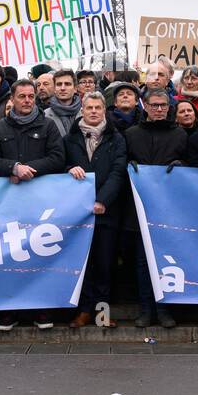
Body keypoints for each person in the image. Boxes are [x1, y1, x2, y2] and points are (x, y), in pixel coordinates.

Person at [0, 79, 65, 332]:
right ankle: (10, 310)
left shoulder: (48, 125)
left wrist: (30, 170)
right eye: (22, 96)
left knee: (39, 255)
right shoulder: (0, 128)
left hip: (41, 204)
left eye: (31, 96)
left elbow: (57, 158)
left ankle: (40, 308)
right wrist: (12, 167)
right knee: (11, 256)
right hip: (9, 204)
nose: (28, 100)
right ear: (13, 99)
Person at [63, 91, 128, 329]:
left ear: (104, 111)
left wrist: (103, 200)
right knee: (84, 264)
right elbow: (61, 164)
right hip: (78, 212)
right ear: (82, 110)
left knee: (105, 264)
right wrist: (69, 167)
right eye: (88, 108)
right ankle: (83, 311)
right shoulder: (70, 139)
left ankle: (102, 313)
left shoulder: (116, 138)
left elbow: (118, 171)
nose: (92, 112)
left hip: (106, 211)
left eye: (97, 108)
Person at [124, 89, 186, 329]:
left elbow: (191, 163)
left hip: (169, 208)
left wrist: (182, 166)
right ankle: (145, 309)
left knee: (166, 261)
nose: (159, 109)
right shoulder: (131, 134)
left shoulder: (180, 134)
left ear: (169, 107)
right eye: (155, 105)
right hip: (139, 207)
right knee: (142, 261)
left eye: (163, 105)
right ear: (146, 106)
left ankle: (164, 309)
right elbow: (121, 163)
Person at [44, 68, 82, 138]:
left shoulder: (85, 112)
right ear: (54, 89)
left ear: (75, 89)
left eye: (67, 84)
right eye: (59, 84)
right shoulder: (45, 115)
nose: (63, 88)